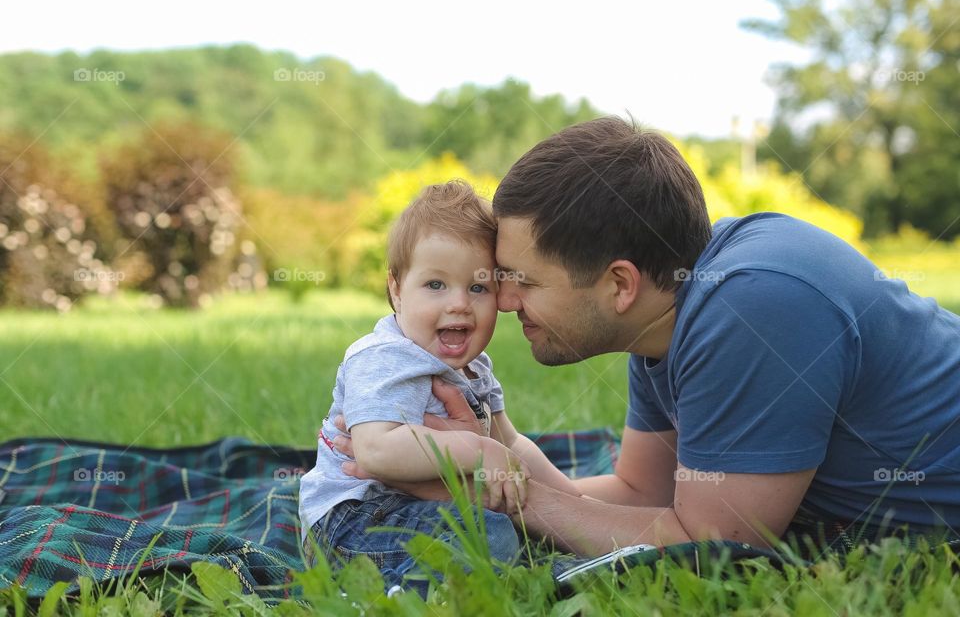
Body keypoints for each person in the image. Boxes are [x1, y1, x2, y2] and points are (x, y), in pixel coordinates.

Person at [337, 117, 960, 558]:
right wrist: (491, 463)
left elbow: (712, 544)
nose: (501, 301)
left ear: (620, 284)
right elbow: (643, 495)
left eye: (523, 280)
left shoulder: (751, 307)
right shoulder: (666, 315)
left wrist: (499, 497)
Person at [298, 180, 581, 593]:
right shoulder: (384, 356)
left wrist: (573, 504)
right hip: (354, 518)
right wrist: (478, 450)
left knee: (517, 533)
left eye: (478, 287)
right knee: (492, 536)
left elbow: (511, 444)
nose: (459, 304)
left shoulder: (476, 368)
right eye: (435, 285)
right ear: (396, 289)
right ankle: (394, 599)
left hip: (423, 509)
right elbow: (376, 450)